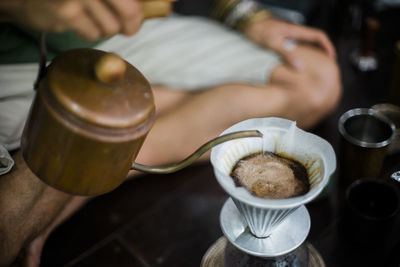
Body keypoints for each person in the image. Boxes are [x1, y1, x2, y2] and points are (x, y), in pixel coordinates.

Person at [0, 0, 341, 266]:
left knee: (315, 81)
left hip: (129, 33)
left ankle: (98, 168)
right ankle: (128, 124)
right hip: (13, 65)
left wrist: (244, 15)